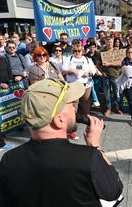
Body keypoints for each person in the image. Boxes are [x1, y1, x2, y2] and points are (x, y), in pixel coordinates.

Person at [0, 78, 123, 206]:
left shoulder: (9, 160)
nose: (75, 109)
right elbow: (114, 193)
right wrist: (95, 145)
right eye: (71, 104)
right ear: (59, 120)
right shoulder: (88, 158)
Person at [62, 44, 96, 117]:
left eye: (79, 51)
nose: (77, 52)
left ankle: (86, 116)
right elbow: (63, 68)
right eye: (75, 51)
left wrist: (89, 73)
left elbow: (93, 70)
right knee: (74, 101)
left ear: (82, 51)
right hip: (73, 84)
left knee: (85, 100)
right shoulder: (69, 58)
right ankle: (73, 117)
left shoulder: (87, 59)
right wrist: (72, 71)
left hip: (86, 84)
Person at [100, 37, 123, 116]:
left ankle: (116, 108)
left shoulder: (117, 51)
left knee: (117, 93)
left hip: (115, 76)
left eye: (111, 42)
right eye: (108, 42)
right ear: (105, 42)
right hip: (105, 76)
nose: (109, 43)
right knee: (107, 94)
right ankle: (108, 108)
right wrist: (102, 72)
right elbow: (97, 64)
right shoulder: (101, 52)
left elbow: (121, 63)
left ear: (113, 43)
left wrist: (110, 64)